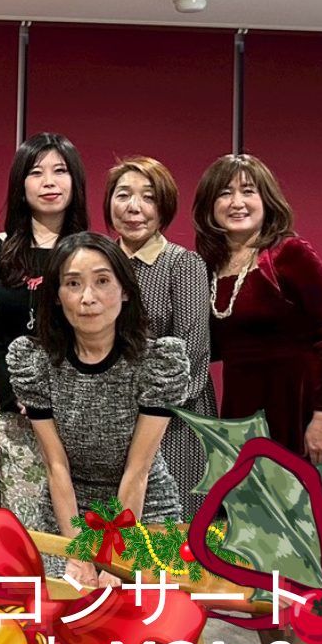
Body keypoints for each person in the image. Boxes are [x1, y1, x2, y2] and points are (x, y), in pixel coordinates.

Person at [7, 233, 189, 583]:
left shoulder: (157, 362)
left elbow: (138, 470)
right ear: (57, 296)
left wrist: (115, 560)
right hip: (68, 510)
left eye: (102, 281)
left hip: (143, 506)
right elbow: (55, 466)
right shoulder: (36, 362)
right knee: (62, 596)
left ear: (125, 291)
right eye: (73, 284)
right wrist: (79, 555)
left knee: (142, 603)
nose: (87, 298)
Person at [192, 153, 322, 500]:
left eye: (248, 191)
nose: (237, 202)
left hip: (299, 412)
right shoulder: (207, 268)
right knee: (249, 522)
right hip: (243, 414)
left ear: (266, 200)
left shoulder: (290, 255)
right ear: (209, 206)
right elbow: (210, 346)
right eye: (224, 193)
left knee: (307, 519)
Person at [0, 133, 87, 545]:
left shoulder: (90, 252)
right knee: (24, 516)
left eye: (60, 171)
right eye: (36, 173)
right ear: (21, 184)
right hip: (14, 406)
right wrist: (12, 391)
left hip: (78, 403)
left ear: (75, 182)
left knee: (77, 515)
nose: (49, 182)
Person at [104, 157, 217, 516]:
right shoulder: (98, 264)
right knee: (110, 534)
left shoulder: (183, 264)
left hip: (173, 423)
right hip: (107, 422)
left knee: (168, 533)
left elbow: (191, 358)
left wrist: (147, 412)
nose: (134, 207)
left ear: (164, 206)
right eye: (123, 195)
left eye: (148, 197)